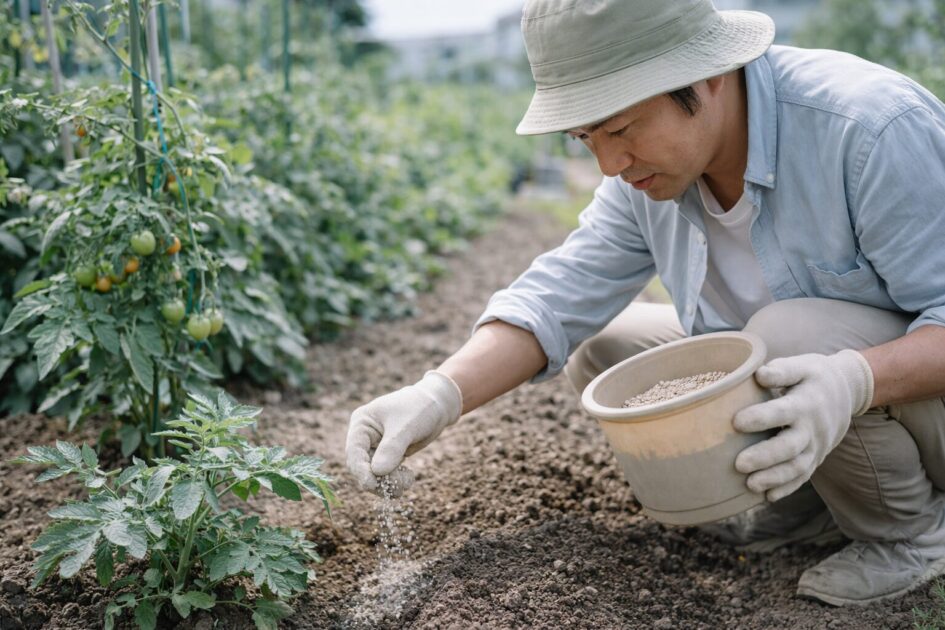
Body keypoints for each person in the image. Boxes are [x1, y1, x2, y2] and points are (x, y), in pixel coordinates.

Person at [346, 0, 945, 607]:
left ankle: (911, 535)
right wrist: (438, 395)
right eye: (585, 138)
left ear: (707, 74)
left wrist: (853, 379)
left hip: (930, 415)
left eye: (621, 128)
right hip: (827, 400)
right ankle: (800, 513)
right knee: (612, 348)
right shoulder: (645, 178)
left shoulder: (868, 128)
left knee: (786, 337)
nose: (609, 163)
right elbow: (562, 292)